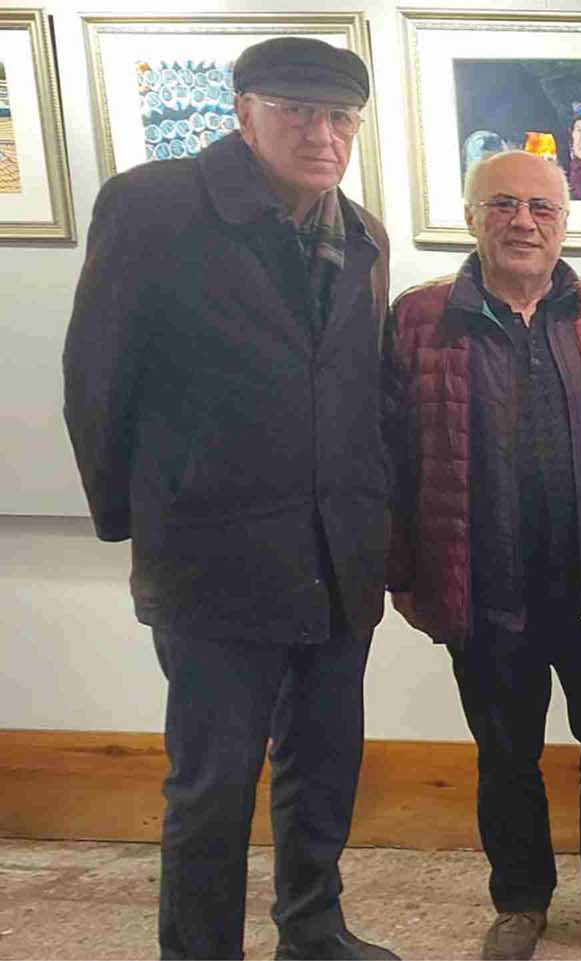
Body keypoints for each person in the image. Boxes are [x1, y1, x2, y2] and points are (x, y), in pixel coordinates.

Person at [62, 37, 396, 961]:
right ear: (244, 112)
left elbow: (361, 395)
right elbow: (97, 378)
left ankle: (313, 929)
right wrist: (136, 521)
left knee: (322, 766)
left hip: (338, 557)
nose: (323, 134)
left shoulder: (363, 233)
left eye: (341, 118)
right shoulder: (153, 207)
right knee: (212, 784)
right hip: (212, 555)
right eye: (298, 112)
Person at [384, 150, 581, 961]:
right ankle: (519, 900)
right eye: (502, 204)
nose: (523, 222)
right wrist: (402, 571)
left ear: (565, 222)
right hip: (484, 589)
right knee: (506, 757)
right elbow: (387, 455)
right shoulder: (419, 318)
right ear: (471, 217)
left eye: (542, 208)